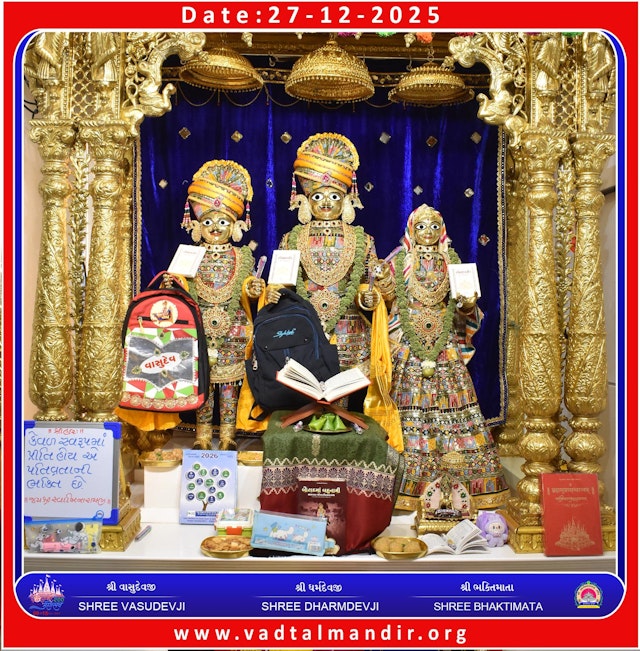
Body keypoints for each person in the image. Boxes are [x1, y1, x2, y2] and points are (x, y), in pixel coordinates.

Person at [265, 132, 401, 449]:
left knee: (345, 381)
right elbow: (282, 281)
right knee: (305, 380)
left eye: (334, 196)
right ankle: (308, 437)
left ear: (347, 200)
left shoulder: (362, 239)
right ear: (304, 200)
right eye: (317, 196)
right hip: (305, 325)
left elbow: (373, 284)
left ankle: (340, 437)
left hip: (348, 326)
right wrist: (272, 292)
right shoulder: (291, 238)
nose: (326, 202)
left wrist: (371, 295)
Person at [387, 204, 508, 509]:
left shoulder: (452, 262)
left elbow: (466, 307)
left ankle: (467, 484)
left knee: (454, 404)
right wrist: (380, 284)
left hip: (444, 343)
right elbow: (386, 298)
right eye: (421, 226)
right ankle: (407, 484)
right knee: (407, 405)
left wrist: (467, 304)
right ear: (411, 230)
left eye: (433, 226)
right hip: (410, 343)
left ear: (441, 231)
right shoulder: (400, 260)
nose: (427, 232)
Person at [181, 159, 265, 450]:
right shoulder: (189, 255)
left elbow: (247, 288)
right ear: (196, 224)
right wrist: (172, 283)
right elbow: (180, 289)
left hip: (233, 329)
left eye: (223, 221)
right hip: (199, 329)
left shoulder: (242, 256)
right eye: (208, 221)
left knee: (229, 385)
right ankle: (202, 436)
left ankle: (228, 436)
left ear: (236, 225)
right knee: (202, 383)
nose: (215, 227)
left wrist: (253, 289)